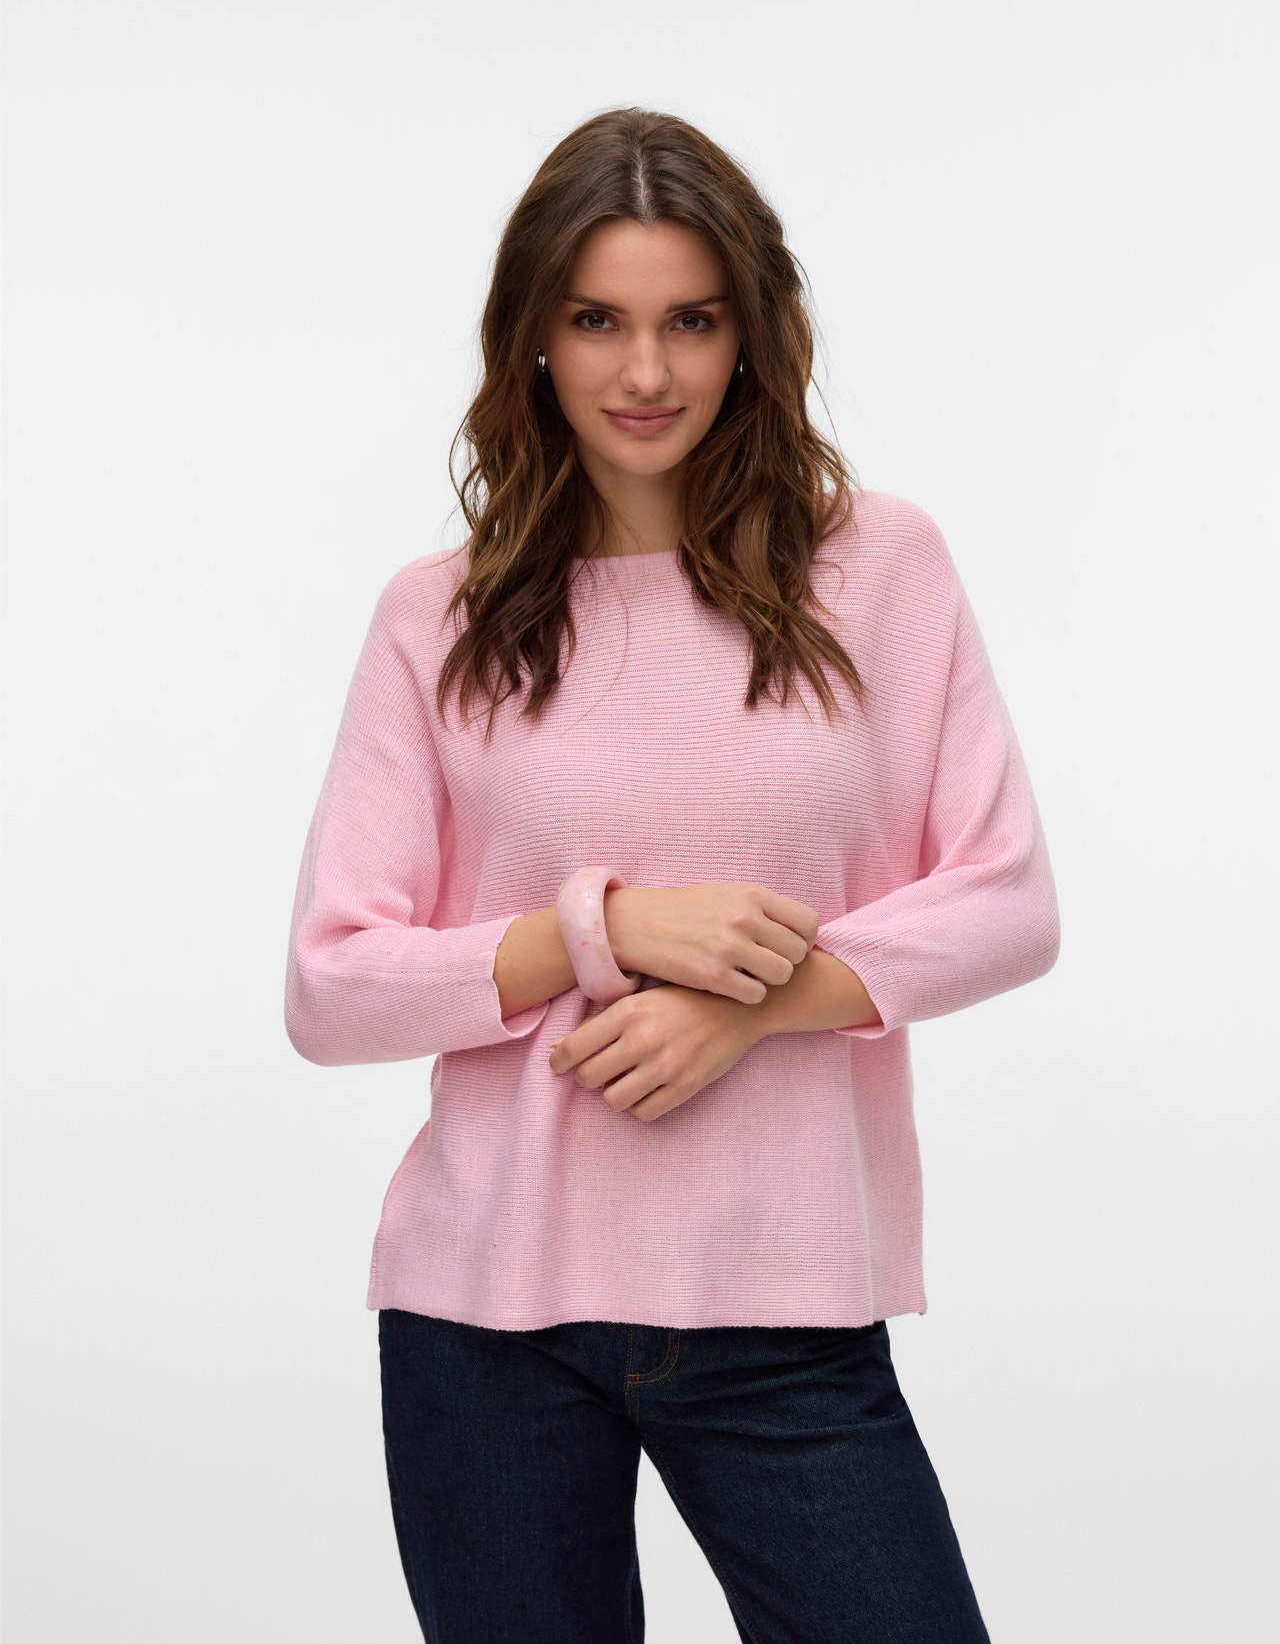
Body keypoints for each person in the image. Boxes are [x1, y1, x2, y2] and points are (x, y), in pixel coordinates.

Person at [284, 105, 1060, 1643]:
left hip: (787, 1314)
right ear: (533, 337)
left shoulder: (879, 566)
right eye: (599, 321)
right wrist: (611, 928)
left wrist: (754, 1004)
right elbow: (332, 984)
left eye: (691, 321)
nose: (646, 372)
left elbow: (1007, 899)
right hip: (486, 1322)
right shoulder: (438, 616)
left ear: (751, 331)